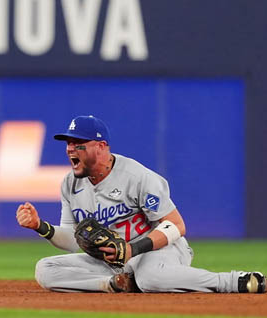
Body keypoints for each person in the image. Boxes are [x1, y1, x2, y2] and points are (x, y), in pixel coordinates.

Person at [16, 115, 265, 294]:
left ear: (101, 147)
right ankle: (114, 284)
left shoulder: (137, 176)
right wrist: (41, 226)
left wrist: (134, 249)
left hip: (157, 251)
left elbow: (176, 225)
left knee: (151, 278)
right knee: (46, 269)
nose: (70, 148)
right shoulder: (70, 184)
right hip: (114, 262)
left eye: (78, 143)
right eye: (68, 143)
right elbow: (73, 239)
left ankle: (234, 281)